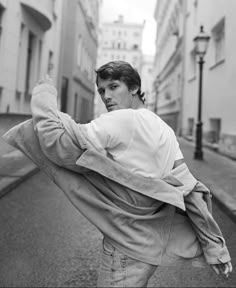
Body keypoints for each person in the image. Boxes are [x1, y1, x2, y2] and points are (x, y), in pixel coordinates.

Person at [5, 61, 232, 287]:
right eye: (102, 91)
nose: (106, 96)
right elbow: (188, 188)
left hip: (125, 244)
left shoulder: (122, 119)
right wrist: (214, 246)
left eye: (114, 87)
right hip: (148, 249)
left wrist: (43, 94)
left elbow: (57, 142)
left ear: (134, 88)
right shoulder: (164, 129)